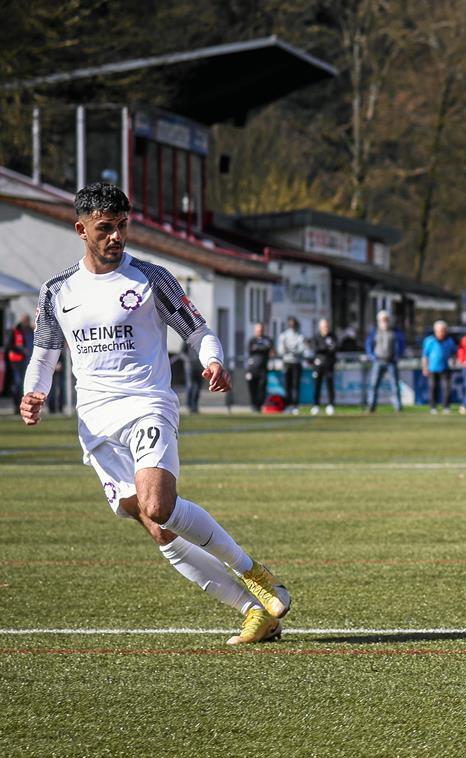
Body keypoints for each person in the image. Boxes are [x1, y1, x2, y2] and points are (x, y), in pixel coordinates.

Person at [19, 182, 290, 646]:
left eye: (123, 226)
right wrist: (33, 394)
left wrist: (213, 360)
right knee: (158, 529)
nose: (116, 237)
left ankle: (254, 573)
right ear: (81, 229)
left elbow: (199, 330)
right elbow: (44, 356)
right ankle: (253, 613)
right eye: (105, 228)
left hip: (147, 403)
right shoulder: (57, 291)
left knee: (158, 505)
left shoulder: (151, 279)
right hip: (95, 423)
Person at [365, 310, 405, 414]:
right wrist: (372, 356)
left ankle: (398, 407)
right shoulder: (375, 332)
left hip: (391, 361)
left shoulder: (395, 332)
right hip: (378, 361)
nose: (385, 322)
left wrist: (398, 356)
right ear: (379, 320)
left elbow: (401, 344)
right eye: (383, 320)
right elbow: (369, 345)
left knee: (395, 385)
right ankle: (371, 406)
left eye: (386, 319)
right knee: (373, 385)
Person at [421, 320, 457, 414]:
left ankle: (446, 407)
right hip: (432, 368)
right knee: (433, 388)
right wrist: (425, 367)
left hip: (445, 368)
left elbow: (454, 353)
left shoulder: (449, 341)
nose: (441, 332)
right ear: (435, 331)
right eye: (439, 330)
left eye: (443, 330)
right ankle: (433, 407)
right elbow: (425, 356)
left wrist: (453, 363)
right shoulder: (429, 341)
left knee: (446, 388)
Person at [277, 317, 305, 415]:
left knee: (296, 385)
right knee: (287, 385)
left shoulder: (300, 335)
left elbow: (301, 350)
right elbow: (281, 351)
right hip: (287, 363)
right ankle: (288, 405)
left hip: (296, 363)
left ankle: (295, 405)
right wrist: (289, 350)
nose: (292, 325)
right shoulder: (283, 335)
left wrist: (291, 350)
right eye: (290, 323)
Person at [6, 314, 33, 412]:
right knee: (18, 383)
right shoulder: (16, 331)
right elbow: (9, 346)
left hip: (26, 361)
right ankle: (16, 405)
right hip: (16, 362)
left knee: (24, 384)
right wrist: (21, 350)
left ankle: (24, 405)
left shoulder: (30, 331)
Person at [310, 319, 337, 415]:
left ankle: (330, 405)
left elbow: (334, 348)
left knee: (330, 385)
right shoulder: (316, 337)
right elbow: (315, 349)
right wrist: (326, 348)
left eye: (327, 326)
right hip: (318, 365)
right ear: (320, 327)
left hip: (329, 364)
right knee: (317, 385)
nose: (326, 328)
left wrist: (323, 348)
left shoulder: (332, 336)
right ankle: (315, 405)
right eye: (324, 326)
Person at [245, 322, 273, 413]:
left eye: (260, 330)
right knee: (252, 387)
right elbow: (250, 350)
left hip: (263, 368)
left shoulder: (267, 339)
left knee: (262, 388)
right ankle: (253, 405)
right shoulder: (252, 340)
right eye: (257, 330)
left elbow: (268, 348)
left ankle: (259, 405)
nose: (259, 332)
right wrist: (261, 348)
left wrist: (258, 348)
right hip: (252, 368)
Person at [183, 340, 203, 413]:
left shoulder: (202, 339)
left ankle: (195, 405)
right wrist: (189, 360)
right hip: (190, 366)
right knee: (190, 385)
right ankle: (189, 405)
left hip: (199, 366)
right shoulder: (187, 340)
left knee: (198, 386)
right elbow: (182, 353)